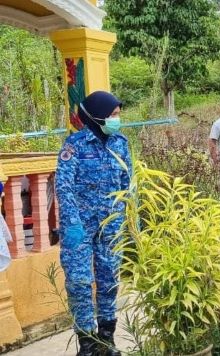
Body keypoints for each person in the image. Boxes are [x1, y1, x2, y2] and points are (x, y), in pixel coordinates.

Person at [55, 91, 131, 356]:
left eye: (118, 114)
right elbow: (63, 188)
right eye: (113, 115)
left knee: (109, 280)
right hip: (79, 227)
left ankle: (106, 341)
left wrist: (130, 220)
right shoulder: (74, 146)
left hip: (111, 226)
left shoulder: (120, 143)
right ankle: (87, 343)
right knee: (79, 282)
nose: (117, 119)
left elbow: (127, 186)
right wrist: (71, 224)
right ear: (96, 115)